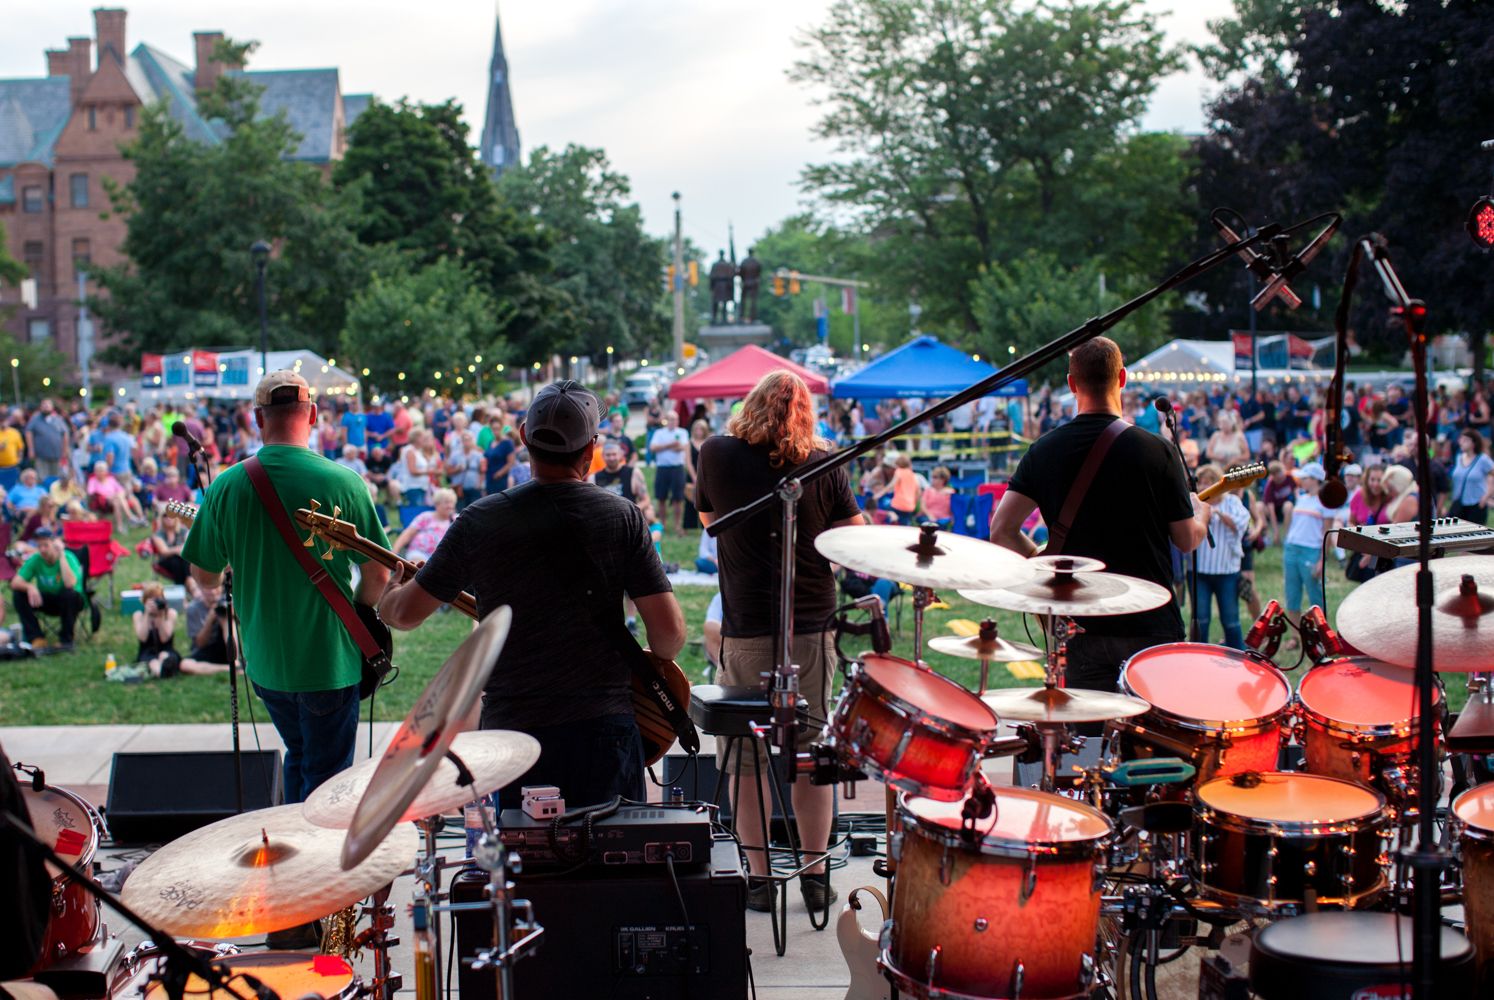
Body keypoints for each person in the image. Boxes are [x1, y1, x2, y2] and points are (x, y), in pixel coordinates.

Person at [377, 380, 686, 812]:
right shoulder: (622, 517)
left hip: (513, 732)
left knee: (528, 865)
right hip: (604, 725)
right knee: (610, 867)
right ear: (591, 448)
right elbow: (669, 637)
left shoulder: (479, 520)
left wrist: (390, 591)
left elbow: (405, 614)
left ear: (524, 437)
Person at [694, 369, 866, 914]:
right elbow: (853, 541)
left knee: (746, 759)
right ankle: (815, 877)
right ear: (805, 414)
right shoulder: (826, 463)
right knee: (813, 756)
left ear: (751, 403)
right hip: (811, 629)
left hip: (745, 628)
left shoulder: (717, 453)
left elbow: (707, 519)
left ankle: (761, 879)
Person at [183, 371, 391, 804]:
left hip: (265, 663)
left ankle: (294, 850)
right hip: (328, 659)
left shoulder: (226, 486)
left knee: (299, 755)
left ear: (258, 418)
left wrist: (236, 568)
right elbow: (379, 574)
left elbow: (204, 575)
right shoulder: (344, 482)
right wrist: (359, 611)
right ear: (313, 414)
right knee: (328, 778)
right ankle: (316, 867)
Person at [990, 337, 1211, 695]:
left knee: (1085, 742)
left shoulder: (1044, 450)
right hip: (1149, 622)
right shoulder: (1157, 451)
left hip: (1081, 624)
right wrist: (1203, 513)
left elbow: (1001, 531)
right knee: (1151, 743)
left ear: (1072, 384)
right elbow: (1186, 540)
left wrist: (1041, 563)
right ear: (1122, 378)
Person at [1192, 464, 1251, 648]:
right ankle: (1197, 656)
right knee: (1200, 619)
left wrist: (1217, 513)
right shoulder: (1195, 504)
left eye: (1208, 482)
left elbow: (1241, 526)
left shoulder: (1232, 502)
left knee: (1230, 619)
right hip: (1200, 571)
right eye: (1200, 482)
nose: (1203, 486)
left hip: (1226, 571)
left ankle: (1238, 656)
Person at [1280, 461, 1341, 635]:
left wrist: (1322, 559)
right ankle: (1295, 636)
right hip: (1292, 548)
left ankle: (1321, 634)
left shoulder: (1325, 503)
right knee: (1292, 594)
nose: (1301, 481)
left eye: (1305, 478)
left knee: (1315, 595)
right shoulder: (1302, 498)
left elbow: (1327, 532)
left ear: (1314, 480)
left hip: (1311, 550)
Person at [11, 529, 85, 649]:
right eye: (39, 546)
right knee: (19, 594)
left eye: (46, 545)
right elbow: (15, 582)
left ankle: (66, 640)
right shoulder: (36, 559)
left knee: (69, 594)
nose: (42, 550)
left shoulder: (68, 558)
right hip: (46, 600)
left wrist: (61, 556)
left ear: (55, 544)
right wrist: (30, 586)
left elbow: (70, 584)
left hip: (70, 603)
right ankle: (36, 638)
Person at [393, 488, 457, 565]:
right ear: (437, 504)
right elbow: (407, 534)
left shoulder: (457, 520)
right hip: (419, 553)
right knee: (421, 566)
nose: (450, 506)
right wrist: (393, 553)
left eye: (452, 502)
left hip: (445, 559)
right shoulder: (426, 516)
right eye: (446, 502)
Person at [649, 410, 690, 530]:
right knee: (661, 497)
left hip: (677, 468)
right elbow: (652, 448)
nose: (673, 422)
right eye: (671, 419)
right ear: (666, 420)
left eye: (675, 419)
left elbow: (681, 447)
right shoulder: (659, 433)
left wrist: (663, 447)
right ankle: (663, 523)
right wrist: (670, 445)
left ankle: (677, 525)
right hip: (662, 468)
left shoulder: (682, 432)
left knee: (678, 498)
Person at [1448, 428, 1494, 524]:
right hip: (1458, 503)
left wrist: (1487, 495)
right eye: (1461, 439)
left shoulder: (1483, 459)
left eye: (1465, 440)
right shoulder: (1458, 457)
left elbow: (1492, 475)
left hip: (1476, 504)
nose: (1461, 442)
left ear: (1474, 443)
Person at [88, 460, 144, 530]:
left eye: (102, 471)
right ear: (95, 472)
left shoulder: (111, 479)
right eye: (98, 471)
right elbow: (90, 492)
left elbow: (120, 489)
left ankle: (137, 520)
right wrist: (105, 495)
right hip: (104, 499)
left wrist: (117, 495)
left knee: (125, 499)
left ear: (106, 472)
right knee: (118, 498)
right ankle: (130, 517)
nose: (100, 473)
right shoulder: (93, 481)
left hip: (116, 498)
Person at [24, 398, 70, 480]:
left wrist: (65, 449)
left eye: (48, 405)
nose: (46, 407)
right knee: (42, 478)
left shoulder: (58, 419)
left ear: (52, 407)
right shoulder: (35, 420)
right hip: (41, 455)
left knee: (57, 478)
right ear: (40, 407)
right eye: (44, 405)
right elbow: (28, 433)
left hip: (57, 454)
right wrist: (31, 449)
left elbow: (65, 434)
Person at [150, 510, 192, 585]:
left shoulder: (183, 531)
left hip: (183, 560)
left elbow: (189, 547)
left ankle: (187, 583)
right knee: (175, 561)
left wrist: (174, 550)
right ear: (161, 519)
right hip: (165, 561)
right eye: (165, 516)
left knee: (184, 560)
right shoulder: (158, 534)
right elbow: (164, 552)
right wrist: (179, 549)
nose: (169, 518)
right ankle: (187, 584)